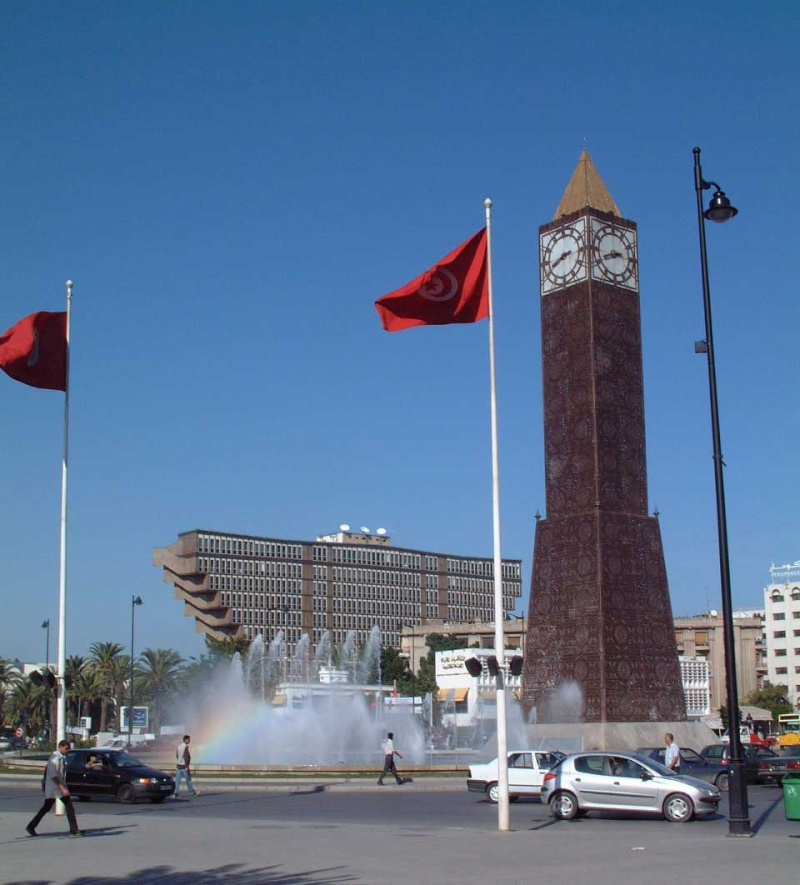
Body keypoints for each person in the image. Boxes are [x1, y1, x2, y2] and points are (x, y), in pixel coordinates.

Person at [26, 740, 83, 837]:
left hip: (57, 788)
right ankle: (74, 830)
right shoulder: (55, 759)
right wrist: (62, 788)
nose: (68, 750)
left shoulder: (61, 758)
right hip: (55, 788)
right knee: (69, 807)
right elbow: (53, 776)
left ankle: (31, 826)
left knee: (46, 808)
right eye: (66, 748)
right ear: (60, 747)